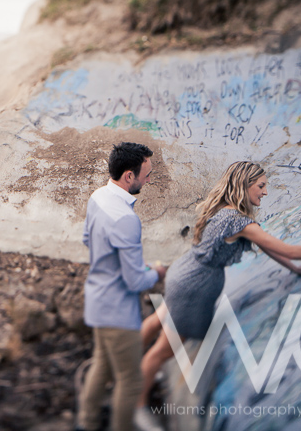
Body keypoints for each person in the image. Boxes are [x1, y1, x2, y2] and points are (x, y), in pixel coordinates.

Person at [137, 161, 301, 408]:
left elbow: (269, 248)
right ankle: (134, 406)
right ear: (244, 185)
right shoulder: (238, 221)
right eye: (261, 186)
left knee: (158, 319)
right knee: (162, 351)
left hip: (184, 273)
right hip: (195, 287)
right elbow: (288, 249)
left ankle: (123, 362)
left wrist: (295, 269)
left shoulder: (223, 207)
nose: (265, 192)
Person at [77, 142, 167, 431]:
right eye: (146, 174)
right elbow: (134, 281)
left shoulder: (97, 197)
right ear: (129, 176)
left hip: (96, 299)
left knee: (102, 365)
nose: (149, 179)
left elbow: (87, 240)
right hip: (118, 311)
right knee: (130, 381)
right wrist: (156, 273)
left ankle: (87, 424)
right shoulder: (127, 219)